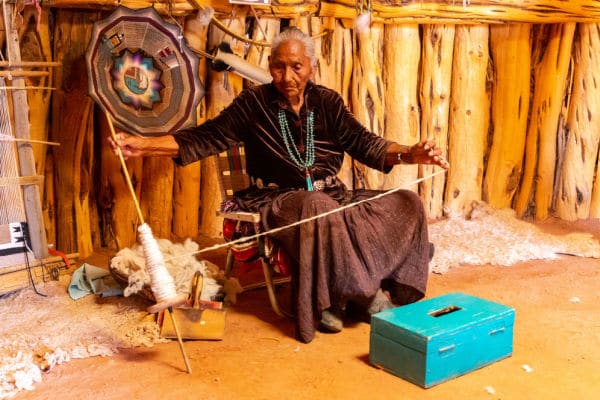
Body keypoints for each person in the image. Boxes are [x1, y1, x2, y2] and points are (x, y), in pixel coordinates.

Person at [109, 27, 449, 343]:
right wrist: (143, 145)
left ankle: (348, 294)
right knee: (316, 207)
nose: (287, 77)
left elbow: (366, 143)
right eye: (278, 68)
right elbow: (205, 136)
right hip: (277, 200)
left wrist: (410, 153)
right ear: (270, 67)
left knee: (406, 202)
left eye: (297, 67)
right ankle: (361, 295)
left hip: (332, 195)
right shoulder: (253, 104)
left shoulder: (328, 103)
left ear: (312, 67)